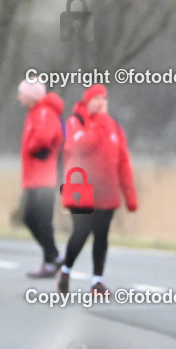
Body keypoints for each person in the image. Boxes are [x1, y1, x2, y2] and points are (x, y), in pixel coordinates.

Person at [57, 84, 138, 295]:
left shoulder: (114, 128)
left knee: (101, 235)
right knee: (81, 233)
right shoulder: (76, 122)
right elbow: (80, 146)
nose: (101, 102)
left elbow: (123, 164)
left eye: (104, 98)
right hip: (82, 191)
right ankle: (65, 271)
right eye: (96, 98)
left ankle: (97, 281)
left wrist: (130, 196)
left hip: (107, 193)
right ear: (87, 102)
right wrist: (99, 122)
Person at [17, 79, 64, 278]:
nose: (19, 97)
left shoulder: (44, 111)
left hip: (43, 177)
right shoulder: (35, 112)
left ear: (31, 95)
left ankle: (51, 259)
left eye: (22, 93)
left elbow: (45, 137)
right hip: (33, 177)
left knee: (39, 219)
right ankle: (52, 258)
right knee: (30, 218)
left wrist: (30, 147)